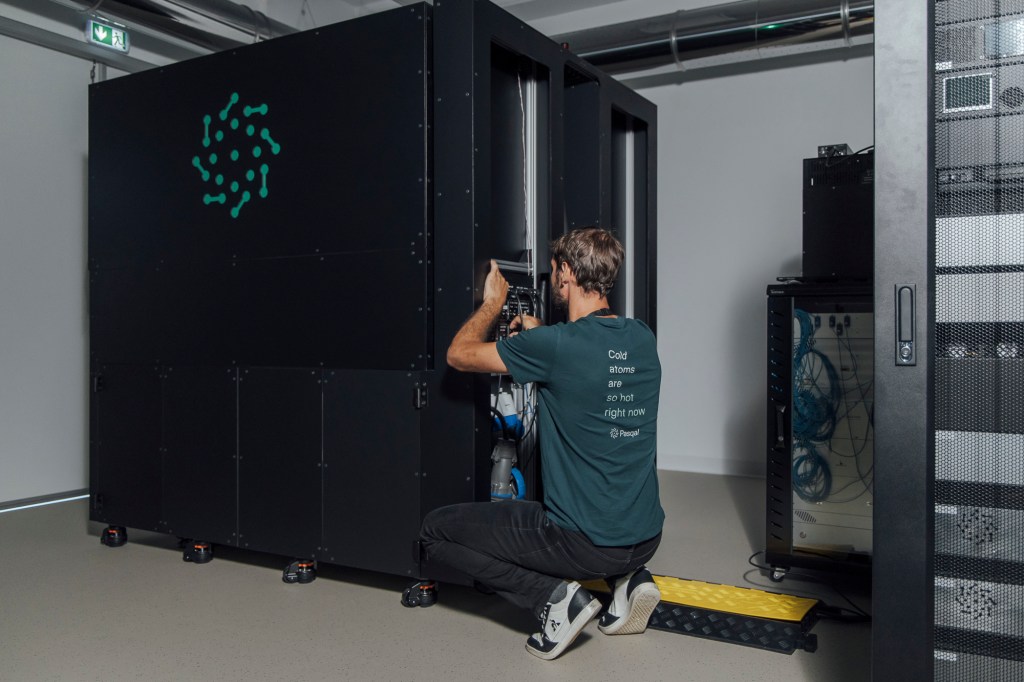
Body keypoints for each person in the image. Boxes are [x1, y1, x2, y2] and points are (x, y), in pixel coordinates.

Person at [419, 227, 664, 661]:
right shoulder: (642, 337)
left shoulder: (554, 346)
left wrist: (493, 303)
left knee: (435, 531)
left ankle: (553, 600)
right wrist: (542, 337)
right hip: (646, 536)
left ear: (567, 272)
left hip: (584, 545)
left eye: (554, 271)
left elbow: (459, 354)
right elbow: (586, 359)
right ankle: (629, 580)